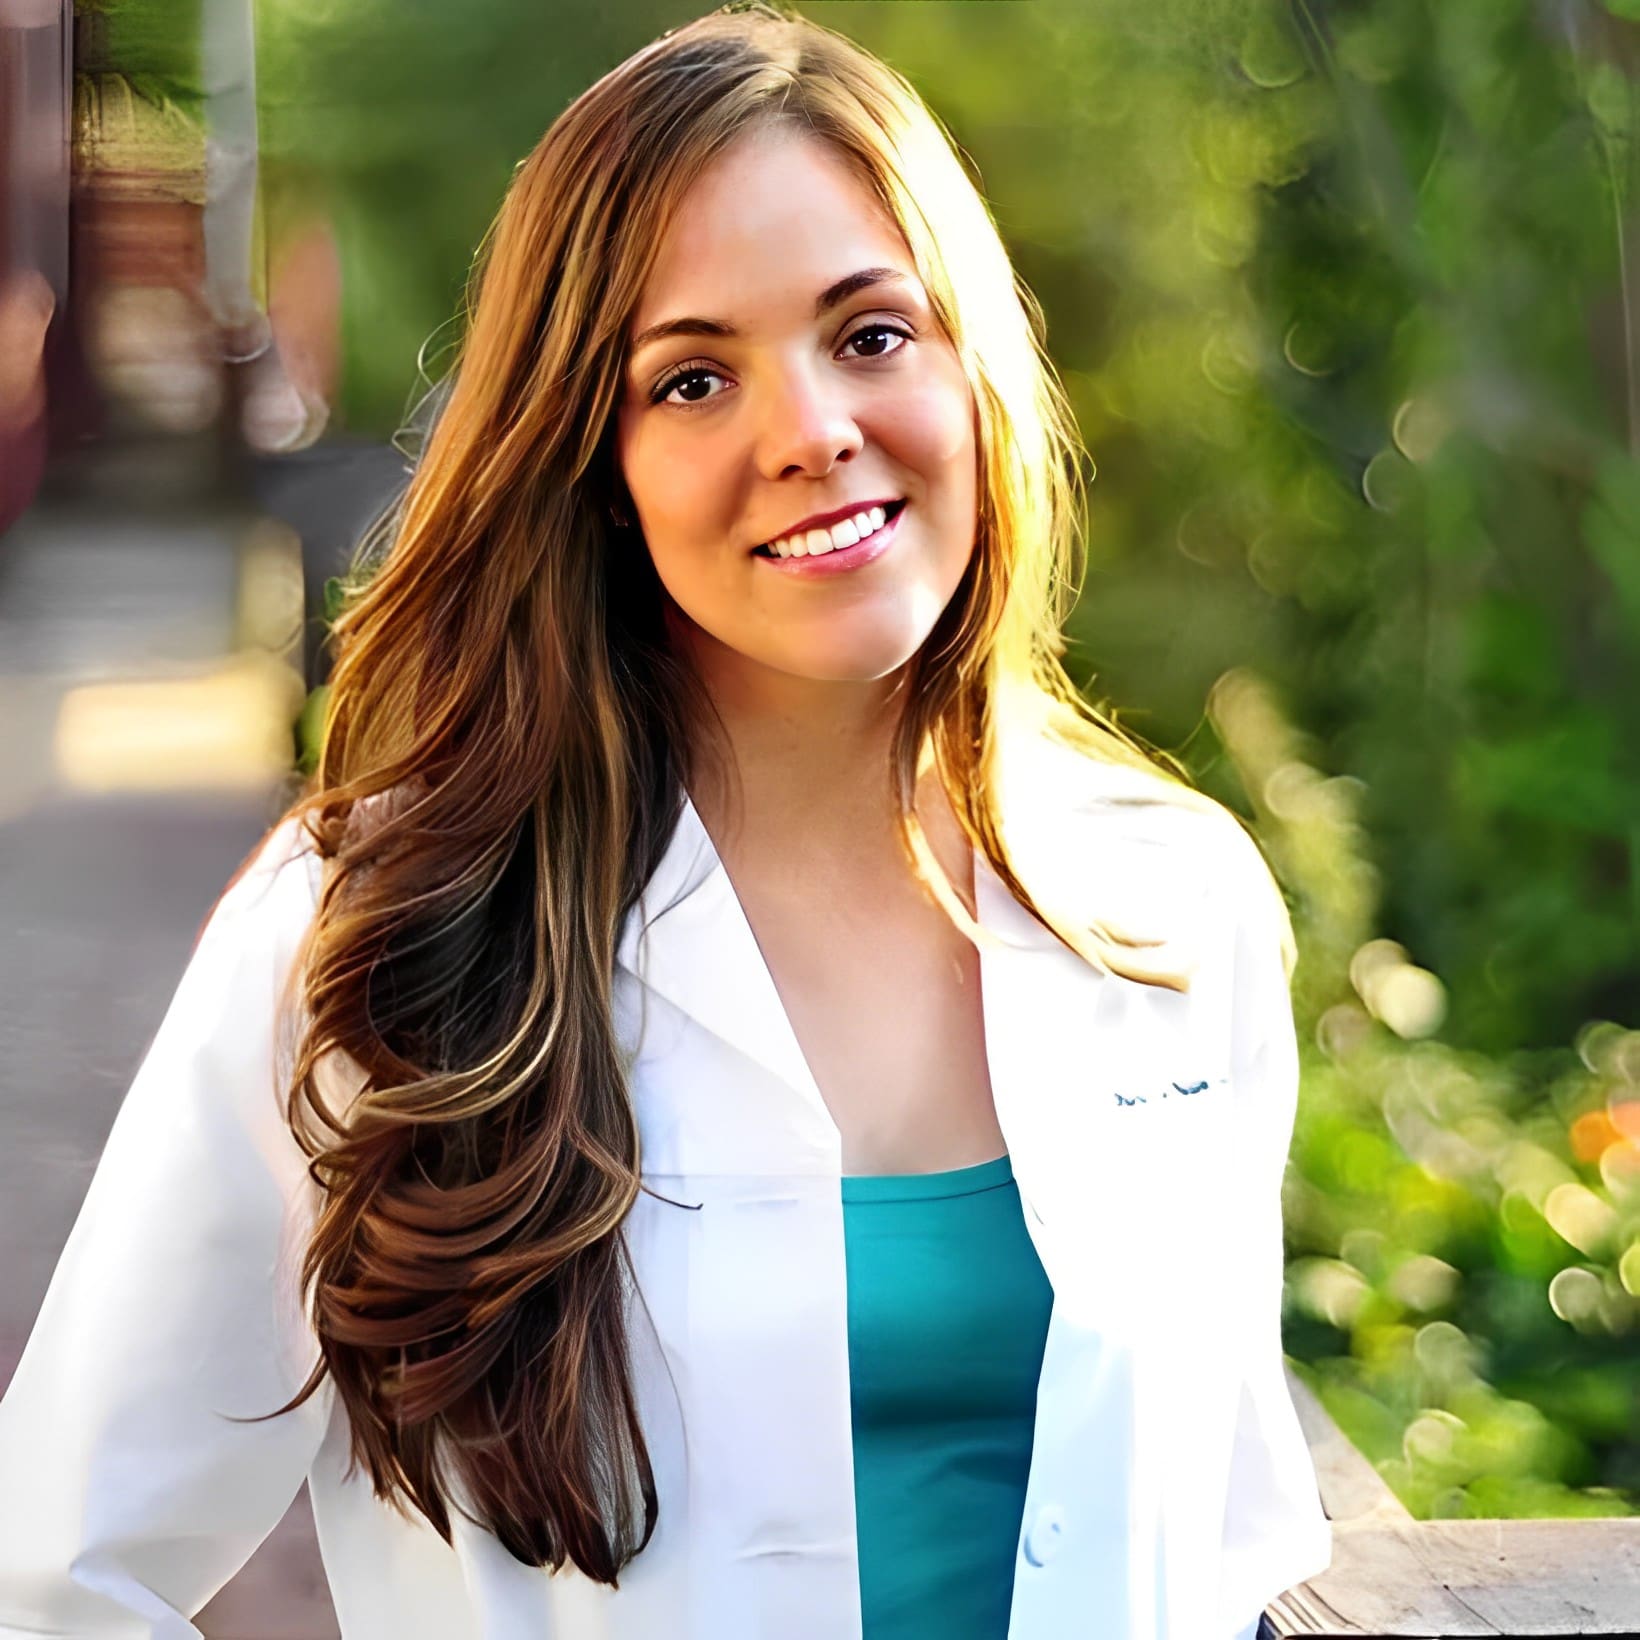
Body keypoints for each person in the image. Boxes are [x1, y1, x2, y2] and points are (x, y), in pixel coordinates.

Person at [0, 5, 1331, 1636]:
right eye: (692, 378)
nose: (811, 432)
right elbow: (57, 1573)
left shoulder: (1175, 908)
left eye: (871, 333)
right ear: (586, 459)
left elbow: (1233, 1550)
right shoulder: (371, 934)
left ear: (974, 359)